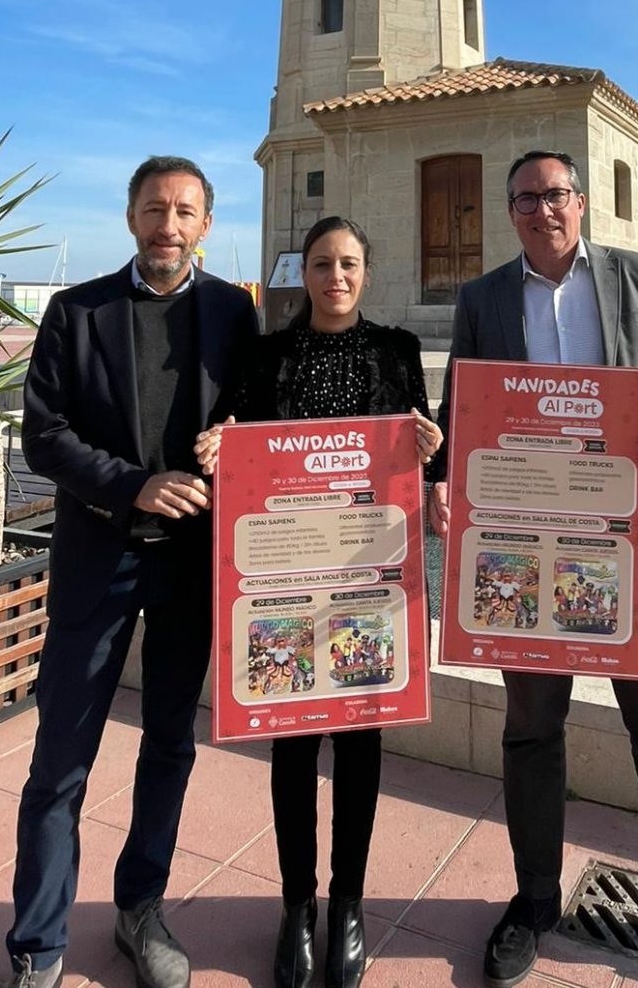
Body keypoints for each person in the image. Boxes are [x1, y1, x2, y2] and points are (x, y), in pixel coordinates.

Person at [427, 152, 638, 988]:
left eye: (557, 194)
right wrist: (435, 475)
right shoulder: (483, 298)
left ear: (580, 202)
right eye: (527, 198)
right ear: (510, 211)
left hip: (632, 540)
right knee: (532, 730)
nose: (544, 209)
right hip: (526, 543)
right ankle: (534, 900)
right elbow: (460, 405)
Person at [4, 158, 260, 988]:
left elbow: (256, 415)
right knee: (60, 758)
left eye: (185, 211)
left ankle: (138, 909)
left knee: (170, 746)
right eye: (155, 208)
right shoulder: (74, 312)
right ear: (129, 216)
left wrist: (235, 435)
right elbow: (44, 434)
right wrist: (132, 485)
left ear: (207, 225)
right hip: (98, 563)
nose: (168, 224)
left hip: (191, 568)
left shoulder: (232, 310)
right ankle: (37, 943)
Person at [195, 216, 442, 988]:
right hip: (288, 583)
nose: (336, 275)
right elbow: (227, 437)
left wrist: (430, 451)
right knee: (294, 744)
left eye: (349, 263)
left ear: (366, 272)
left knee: (363, 748)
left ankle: (350, 904)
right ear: (303, 272)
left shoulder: (397, 351)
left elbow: (419, 452)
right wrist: (214, 444)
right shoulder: (265, 356)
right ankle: (297, 905)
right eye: (323, 263)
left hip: (368, 579)